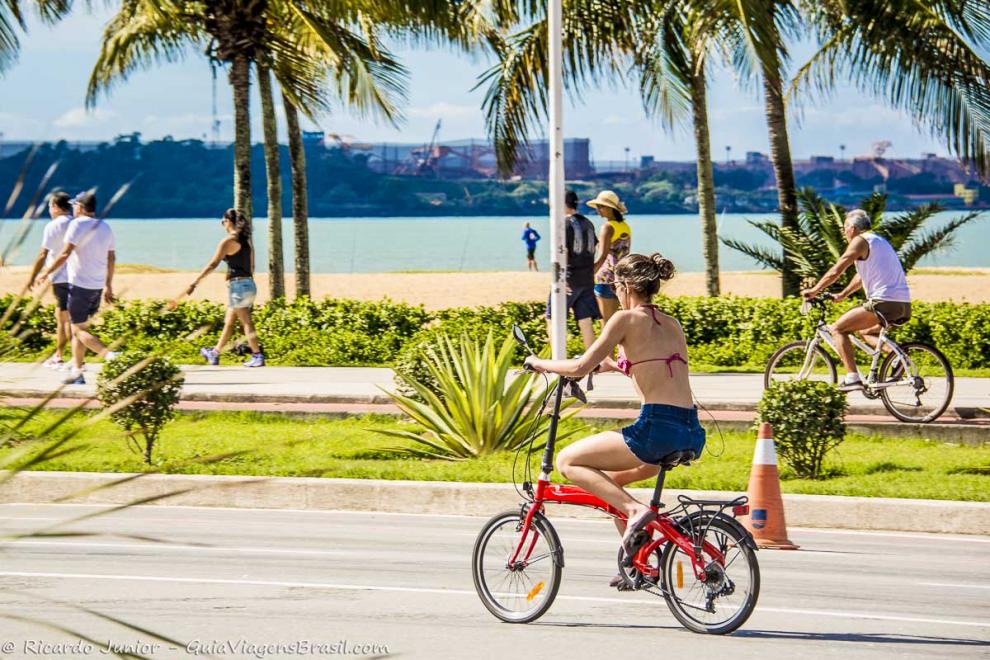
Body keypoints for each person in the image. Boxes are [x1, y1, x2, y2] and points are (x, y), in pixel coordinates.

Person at [526, 253, 705, 588]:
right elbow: (656, 366)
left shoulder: (623, 318)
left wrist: (540, 363)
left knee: (568, 461)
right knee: (612, 486)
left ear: (624, 287)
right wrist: (615, 365)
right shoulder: (671, 322)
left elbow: (579, 367)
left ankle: (636, 512)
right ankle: (637, 564)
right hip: (691, 431)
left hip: (655, 430)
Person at [802, 209, 911, 391]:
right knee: (867, 332)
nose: (844, 233)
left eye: (844, 228)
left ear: (852, 228)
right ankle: (896, 357)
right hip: (902, 304)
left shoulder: (860, 241)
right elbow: (861, 277)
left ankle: (852, 377)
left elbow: (837, 269)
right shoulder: (878, 241)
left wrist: (814, 290)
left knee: (837, 328)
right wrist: (843, 294)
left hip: (883, 302)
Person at [36, 192, 119, 385]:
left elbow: (65, 253)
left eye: (75, 206)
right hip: (97, 286)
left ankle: (110, 356)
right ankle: (77, 372)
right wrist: (108, 285)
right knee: (80, 329)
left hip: (80, 286)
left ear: (80, 207)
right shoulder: (105, 227)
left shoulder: (77, 224)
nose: (73, 208)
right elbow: (111, 258)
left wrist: (46, 272)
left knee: (78, 330)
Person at [185, 208, 264, 368]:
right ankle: (214, 353)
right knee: (229, 321)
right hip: (248, 284)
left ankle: (257, 355)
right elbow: (252, 264)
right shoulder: (247, 241)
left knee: (246, 322)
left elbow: (213, 264)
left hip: (238, 286)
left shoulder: (228, 242)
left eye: (223, 221)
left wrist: (195, 282)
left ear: (228, 222)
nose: (222, 224)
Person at [546, 190, 600, 349]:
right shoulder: (588, 223)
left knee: (552, 318)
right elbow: (594, 248)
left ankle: (557, 359)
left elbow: (563, 252)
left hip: (569, 279)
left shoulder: (564, 224)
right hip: (587, 279)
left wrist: (562, 278)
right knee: (585, 320)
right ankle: (591, 361)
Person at [26, 192, 73, 369]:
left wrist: (32, 277)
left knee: (65, 318)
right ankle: (59, 355)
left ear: (55, 207)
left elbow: (42, 254)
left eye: (49, 207)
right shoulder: (76, 223)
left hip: (60, 277)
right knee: (63, 316)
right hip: (78, 276)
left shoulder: (53, 226)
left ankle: (75, 359)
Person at [588, 190, 632, 324]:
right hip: (622, 277)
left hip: (606, 278)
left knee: (606, 323)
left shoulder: (607, 227)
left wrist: (589, 273)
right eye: (597, 207)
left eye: (601, 206)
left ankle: (607, 346)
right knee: (618, 322)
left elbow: (602, 256)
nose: (598, 210)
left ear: (611, 208)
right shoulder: (625, 227)